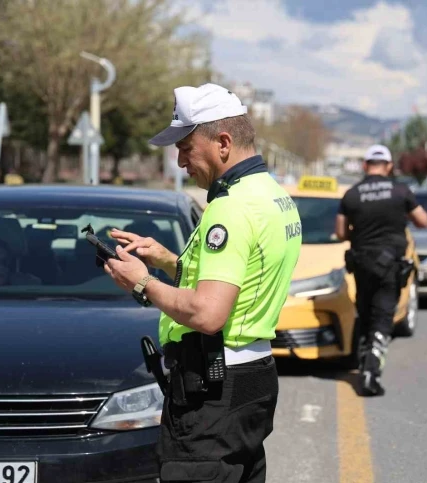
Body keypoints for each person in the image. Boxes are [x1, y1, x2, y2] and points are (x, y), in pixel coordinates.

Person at [103, 83, 302, 482]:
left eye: (186, 147)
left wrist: (142, 283)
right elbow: (236, 283)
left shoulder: (230, 209)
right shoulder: (271, 196)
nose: (180, 162)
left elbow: (209, 313)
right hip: (252, 377)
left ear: (223, 143)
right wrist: (165, 261)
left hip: (212, 389)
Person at [335, 145, 427, 396]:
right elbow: (423, 221)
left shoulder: (352, 194)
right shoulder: (401, 191)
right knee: (383, 316)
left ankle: (364, 361)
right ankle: (371, 373)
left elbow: (342, 232)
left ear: (365, 166)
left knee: (365, 314)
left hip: (362, 265)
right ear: (388, 166)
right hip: (390, 265)